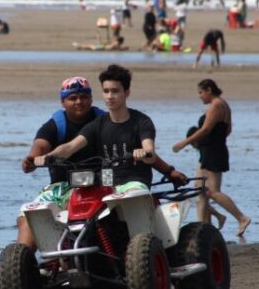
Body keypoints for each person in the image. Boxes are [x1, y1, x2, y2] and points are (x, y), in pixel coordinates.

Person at [34, 64, 187, 196]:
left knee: (132, 198)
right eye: (106, 91)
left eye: (115, 91)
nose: (110, 96)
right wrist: (48, 157)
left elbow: (150, 153)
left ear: (126, 93)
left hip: (134, 184)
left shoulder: (141, 121)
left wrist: (144, 154)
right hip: (105, 186)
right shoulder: (97, 124)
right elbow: (70, 147)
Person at [17, 76, 105, 250]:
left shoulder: (103, 122)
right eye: (73, 98)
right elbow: (40, 146)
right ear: (63, 101)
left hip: (99, 184)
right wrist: (32, 160)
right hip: (60, 187)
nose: (79, 102)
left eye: (83, 97)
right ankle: (21, 263)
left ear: (91, 99)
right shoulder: (56, 125)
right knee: (29, 215)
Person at [172, 79, 251, 236]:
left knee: (213, 191)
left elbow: (206, 129)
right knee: (198, 191)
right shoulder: (224, 105)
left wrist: (185, 143)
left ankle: (241, 217)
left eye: (201, 93)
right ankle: (204, 227)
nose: (200, 97)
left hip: (213, 152)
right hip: (212, 150)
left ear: (209, 90)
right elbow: (227, 130)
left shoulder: (216, 105)